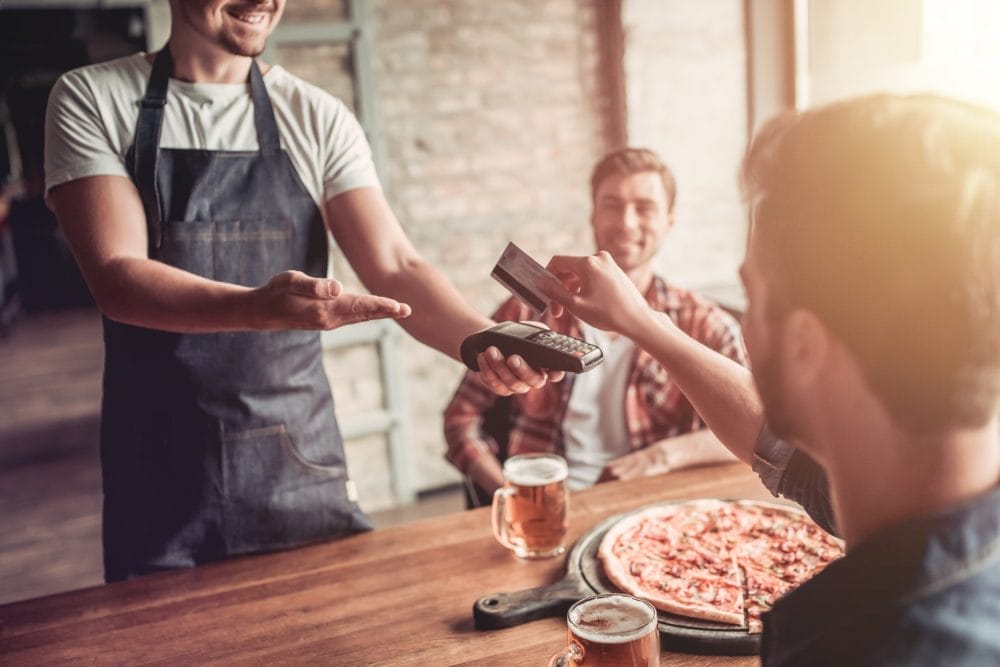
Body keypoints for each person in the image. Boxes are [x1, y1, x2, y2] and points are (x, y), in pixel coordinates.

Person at [43, 0, 558, 582]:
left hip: (297, 455)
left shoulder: (316, 115)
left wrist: (485, 340)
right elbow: (118, 276)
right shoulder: (93, 98)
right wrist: (252, 307)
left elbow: (394, 262)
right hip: (158, 465)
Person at [484, 94, 1000, 665]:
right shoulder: (923, 493)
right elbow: (774, 445)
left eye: (752, 297)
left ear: (805, 347)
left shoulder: (861, 645)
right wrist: (646, 323)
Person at [444, 148, 747, 503]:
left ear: (670, 220)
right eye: (612, 205)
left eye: (645, 208)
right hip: (547, 505)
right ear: (593, 215)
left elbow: (760, 430)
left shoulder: (704, 324)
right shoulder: (527, 312)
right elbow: (461, 418)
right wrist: (508, 494)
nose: (627, 222)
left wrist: (660, 457)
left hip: (648, 510)